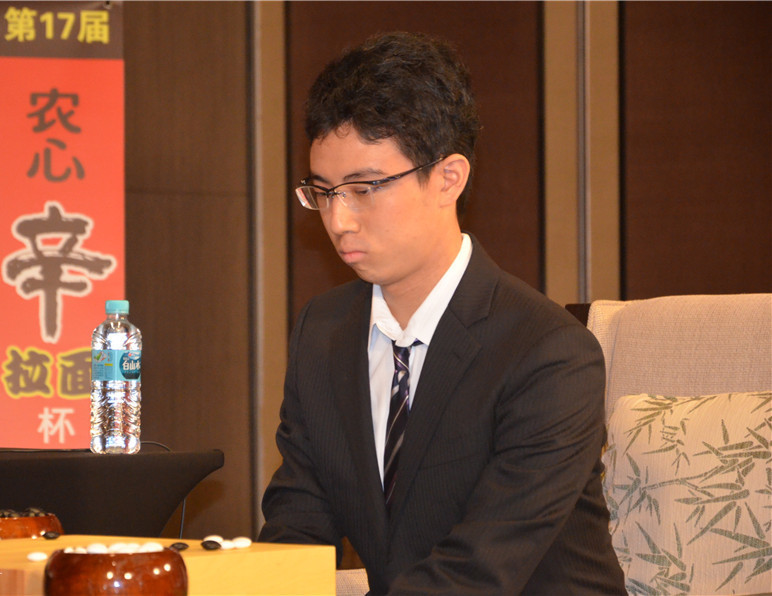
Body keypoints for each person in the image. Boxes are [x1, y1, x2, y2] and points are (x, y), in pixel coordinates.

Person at [258, 31, 626, 595]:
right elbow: (298, 524)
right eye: (324, 191)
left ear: (448, 178)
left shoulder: (549, 353)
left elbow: (480, 569)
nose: (338, 220)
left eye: (364, 188)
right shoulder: (323, 331)